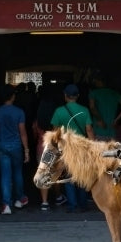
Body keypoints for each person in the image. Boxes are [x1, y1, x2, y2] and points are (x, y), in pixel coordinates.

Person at [41, 84, 94, 212]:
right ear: (78, 96)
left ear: (65, 96)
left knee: (68, 178)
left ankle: (72, 205)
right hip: (81, 148)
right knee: (82, 176)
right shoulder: (84, 110)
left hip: (66, 149)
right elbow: (89, 130)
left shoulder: (59, 111)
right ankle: (82, 204)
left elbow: (55, 132)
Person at [0, 84, 30, 215]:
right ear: (13, 96)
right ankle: (20, 199)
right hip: (16, 146)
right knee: (17, 173)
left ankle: (6, 204)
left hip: (2, 146)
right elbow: (23, 132)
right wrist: (26, 150)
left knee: (5, 175)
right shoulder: (19, 112)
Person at [89, 71, 121, 140]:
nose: (94, 83)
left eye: (95, 81)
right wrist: (117, 120)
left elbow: (92, 107)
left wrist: (100, 120)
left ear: (98, 81)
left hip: (99, 131)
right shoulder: (114, 94)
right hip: (112, 132)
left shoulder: (94, 93)